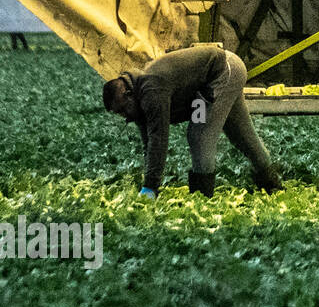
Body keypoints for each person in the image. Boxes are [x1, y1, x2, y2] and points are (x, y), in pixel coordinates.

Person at [102, 46, 282, 199]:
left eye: (123, 109)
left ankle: (202, 197)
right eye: (120, 113)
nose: (126, 116)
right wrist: (150, 185)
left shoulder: (151, 90)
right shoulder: (136, 99)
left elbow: (158, 139)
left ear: (128, 93)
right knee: (242, 135)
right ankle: (273, 186)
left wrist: (151, 186)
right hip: (211, 84)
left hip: (223, 72)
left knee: (199, 136)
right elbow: (149, 143)